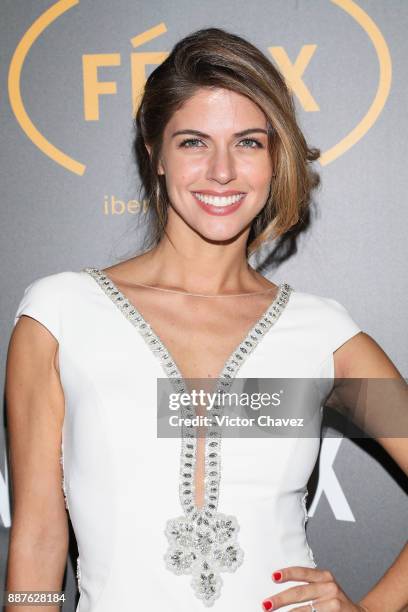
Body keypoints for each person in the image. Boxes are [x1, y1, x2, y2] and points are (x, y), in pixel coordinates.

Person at [5, 27, 408, 612]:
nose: (222, 171)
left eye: (247, 142)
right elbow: (39, 540)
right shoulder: (60, 316)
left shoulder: (324, 337)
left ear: (275, 156)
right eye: (194, 142)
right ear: (155, 155)